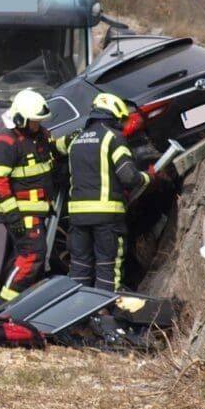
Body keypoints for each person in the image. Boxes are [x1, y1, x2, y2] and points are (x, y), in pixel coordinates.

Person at [66, 92, 155, 293]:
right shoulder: (113, 138)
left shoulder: (75, 141)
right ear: (114, 115)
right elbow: (129, 177)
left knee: (80, 269)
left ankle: (78, 316)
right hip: (106, 217)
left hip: (78, 218)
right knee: (107, 268)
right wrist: (149, 176)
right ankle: (105, 315)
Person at [0, 88, 69, 306]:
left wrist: (69, 142)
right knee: (31, 257)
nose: (38, 124)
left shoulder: (40, 135)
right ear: (20, 118)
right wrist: (12, 215)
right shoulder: (5, 143)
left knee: (27, 259)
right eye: (34, 121)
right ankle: (4, 309)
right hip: (22, 213)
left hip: (38, 210)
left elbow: (54, 148)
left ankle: (16, 307)